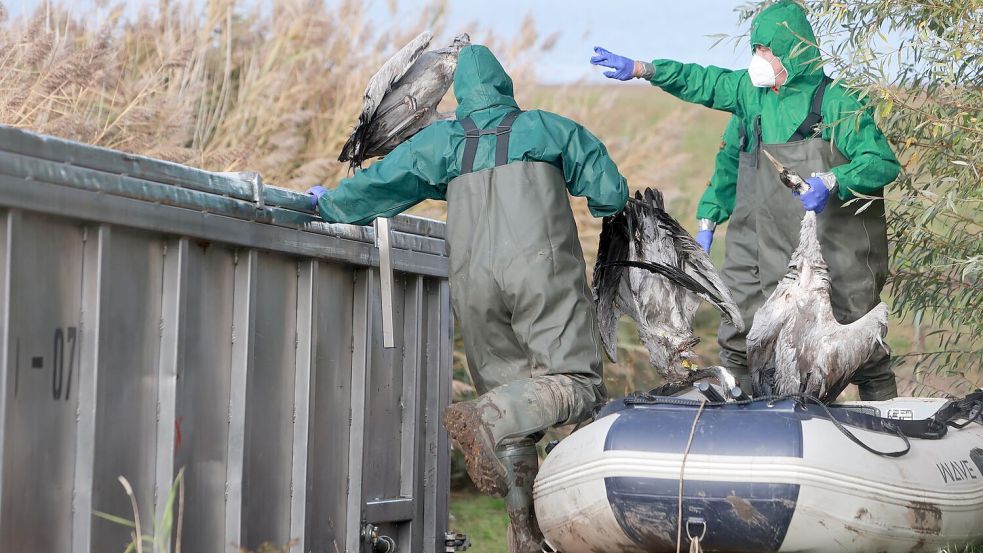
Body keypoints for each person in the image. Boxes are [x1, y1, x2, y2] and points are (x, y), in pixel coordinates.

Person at [308, 44, 628, 552]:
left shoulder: (444, 141)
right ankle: (488, 414)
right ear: (505, 86)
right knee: (577, 383)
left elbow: (381, 184)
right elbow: (609, 192)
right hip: (540, 274)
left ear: (460, 95)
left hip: (474, 285)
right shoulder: (546, 127)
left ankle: (527, 539)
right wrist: (599, 202)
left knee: (517, 427)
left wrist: (328, 204)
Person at [590, 0, 900, 400]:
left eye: (767, 50)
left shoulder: (837, 102)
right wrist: (643, 69)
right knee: (750, 334)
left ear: (794, 50)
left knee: (854, 337)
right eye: (756, 49)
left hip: (833, 247)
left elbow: (882, 162)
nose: (758, 59)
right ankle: (755, 414)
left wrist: (833, 179)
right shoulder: (752, 98)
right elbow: (706, 85)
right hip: (765, 241)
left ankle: (887, 414)